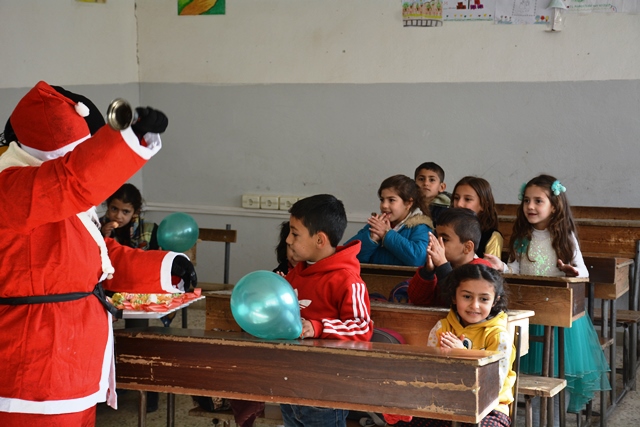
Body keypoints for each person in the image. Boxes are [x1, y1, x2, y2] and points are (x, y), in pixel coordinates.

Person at [0, 81, 196, 426]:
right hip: (33, 375)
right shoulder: (12, 189)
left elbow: (101, 259)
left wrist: (167, 266)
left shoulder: (65, 199)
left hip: (76, 364)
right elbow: (72, 180)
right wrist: (125, 139)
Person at [485, 174, 611, 418]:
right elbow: (516, 271)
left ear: (554, 206)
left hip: (558, 314)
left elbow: (582, 271)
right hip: (529, 313)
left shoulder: (565, 237)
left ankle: (553, 419)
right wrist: (501, 267)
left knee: (555, 374)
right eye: (526, 201)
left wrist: (572, 272)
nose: (530, 206)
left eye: (538, 201)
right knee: (526, 374)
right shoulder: (522, 237)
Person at [281, 194, 373, 427]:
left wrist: (317, 327)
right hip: (289, 383)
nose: (288, 240)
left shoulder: (348, 280)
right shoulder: (295, 273)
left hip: (324, 389)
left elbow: (362, 327)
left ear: (320, 240)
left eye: (295, 233)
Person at [386, 263, 515, 427]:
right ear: (454, 297)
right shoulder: (442, 328)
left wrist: (464, 355)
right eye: (467, 297)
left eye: (484, 299)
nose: (474, 305)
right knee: (403, 421)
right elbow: (428, 371)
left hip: (489, 408)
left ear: (495, 301)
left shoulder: (498, 336)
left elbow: (492, 387)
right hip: (443, 403)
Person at [407, 208, 493, 307]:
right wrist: (428, 272)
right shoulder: (439, 268)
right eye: (436, 236)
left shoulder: (481, 270)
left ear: (467, 247)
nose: (437, 244)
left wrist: (443, 266)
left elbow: (456, 301)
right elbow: (416, 299)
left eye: (444, 239)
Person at [345, 174, 433, 267]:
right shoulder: (376, 224)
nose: (384, 205)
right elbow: (346, 254)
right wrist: (371, 239)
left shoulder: (421, 227)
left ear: (408, 203)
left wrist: (386, 234)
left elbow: (418, 259)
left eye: (391, 200)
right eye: (382, 200)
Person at [450, 176, 503, 258]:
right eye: (456, 198)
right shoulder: (448, 230)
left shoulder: (491, 236)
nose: (459, 204)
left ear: (483, 205)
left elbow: (489, 269)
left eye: (467, 199)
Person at [100, 183, 158, 250]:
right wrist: (103, 235)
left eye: (125, 212)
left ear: (135, 212)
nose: (118, 216)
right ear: (108, 206)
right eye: (114, 209)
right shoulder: (97, 226)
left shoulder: (150, 229)